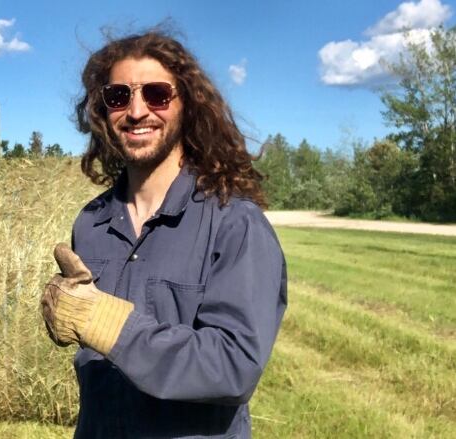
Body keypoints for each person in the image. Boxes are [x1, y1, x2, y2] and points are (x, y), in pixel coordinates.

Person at [40, 30, 287, 438]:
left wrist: (106, 322)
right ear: (103, 112)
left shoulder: (234, 224)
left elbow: (234, 366)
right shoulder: (91, 223)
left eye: (156, 94)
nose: (136, 111)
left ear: (186, 105)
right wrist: (64, 312)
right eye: (119, 96)